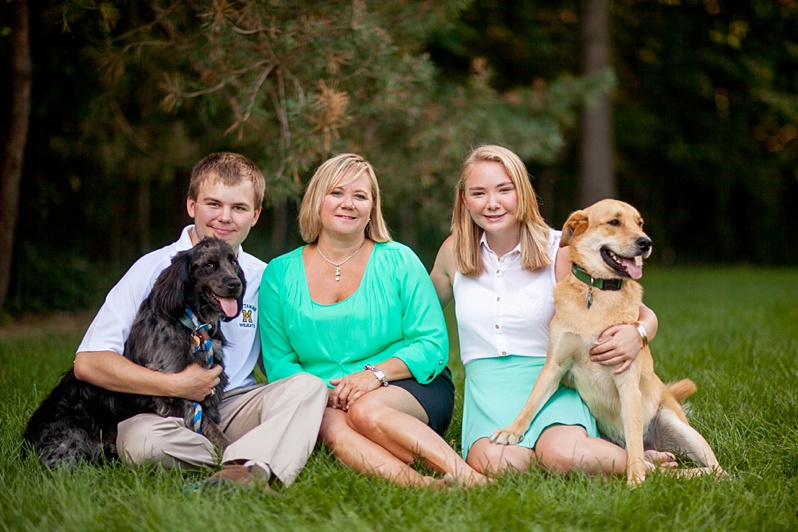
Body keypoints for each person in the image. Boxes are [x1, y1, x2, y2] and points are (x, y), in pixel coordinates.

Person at [73, 152, 328, 489]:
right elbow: (89, 364)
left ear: (255, 215)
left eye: (239, 208)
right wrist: (176, 386)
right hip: (164, 411)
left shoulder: (265, 277)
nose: (225, 217)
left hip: (235, 403)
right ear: (191, 205)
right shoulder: (152, 268)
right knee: (140, 443)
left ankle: (241, 468)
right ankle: (255, 458)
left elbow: (283, 361)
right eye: (214, 204)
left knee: (308, 387)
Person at [430, 144, 676, 478]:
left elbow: (639, 310)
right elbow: (417, 317)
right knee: (499, 464)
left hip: (552, 381)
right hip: (487, 389)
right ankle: (614, 458)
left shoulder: (559, 248)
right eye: (478, 193)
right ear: (464, 200)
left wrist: (640, 333)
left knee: (562, 454)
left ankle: (647, 467)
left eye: (505, 189)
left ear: (522, 193)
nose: (492, 203)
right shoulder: (453, 253)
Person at [259, 153, 487, 488]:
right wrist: (325, 392)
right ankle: (424, 487)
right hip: (322, 397)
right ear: (316, 200)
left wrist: (374, 376)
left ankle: (469, 478)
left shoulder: (398, 260)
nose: (347, 204)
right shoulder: (279, 273)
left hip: (406, 382)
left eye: (360, 196)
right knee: (331, 426)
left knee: (365, 411)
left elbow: (433, 343)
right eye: (336, 193)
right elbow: (278, 362)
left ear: (372, 207)